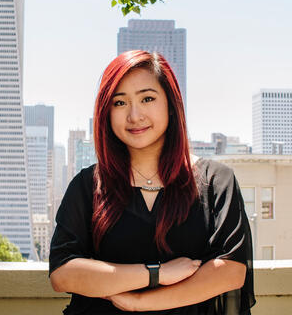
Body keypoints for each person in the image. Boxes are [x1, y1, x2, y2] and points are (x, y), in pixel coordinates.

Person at [49, 50, 255, 314]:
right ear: (106, 112)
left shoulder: (215, 180)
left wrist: (140, 303)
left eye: (147, 98)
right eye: (120, 103)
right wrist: (155, 274)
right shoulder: (88, 185)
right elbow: (63, 274)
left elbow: (231, 271)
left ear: (170, 104)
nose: (134, 116)